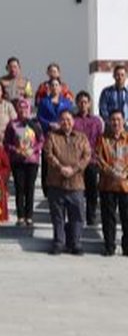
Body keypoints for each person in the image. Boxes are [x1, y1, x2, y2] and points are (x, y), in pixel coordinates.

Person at [44, 109, 91, 255]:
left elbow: (87, 156)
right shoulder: (52, 136)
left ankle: (76, 243)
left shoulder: (82, 137)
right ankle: (59, 242)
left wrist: (74, 169)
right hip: (56, 182)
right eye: (63, 119)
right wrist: (60, 168)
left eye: (69, 119)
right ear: (59, 122)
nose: (66, 122)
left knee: (76, 216)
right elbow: (48, 154)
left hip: (76, 183)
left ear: (73, 121)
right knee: (57, 216)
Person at [4, 97, 44, 226]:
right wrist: (15, 150)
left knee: (30, 188)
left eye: (25, 108)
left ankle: (29, 216)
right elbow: (7, 142)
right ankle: (20, 216)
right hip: (17, 160)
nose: (23, 110)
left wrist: (34, 150)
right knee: (19, 188)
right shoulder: (12, 124)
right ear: (16, 109)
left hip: (32, 160)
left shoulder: (35, 124)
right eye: (20, 108)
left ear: (29, 109)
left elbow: (41, 140)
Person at [96, 111, 128, 256]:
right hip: (107, 184)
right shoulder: (102, 139)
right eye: (113, 119)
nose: (116, 123)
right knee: (108, 218)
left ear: (124, 121)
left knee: (126, 217)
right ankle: (109, 246)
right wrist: (110, 171)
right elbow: (98, 158)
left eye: (118, 119)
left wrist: (125, 173)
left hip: (125, 185)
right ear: (109, 121)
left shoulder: (127, 139)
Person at [73, 91, 104, 225]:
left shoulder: (96, 121)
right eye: (80, 102)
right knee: (77, 191)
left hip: (92, 160)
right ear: (77, 104)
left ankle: (91, 216)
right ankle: (78, 216)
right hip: (76, 160)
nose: (83, 105)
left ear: (90, 104)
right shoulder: (73, 120)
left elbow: (100, 140)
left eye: (85, 102)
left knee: (92, 191)